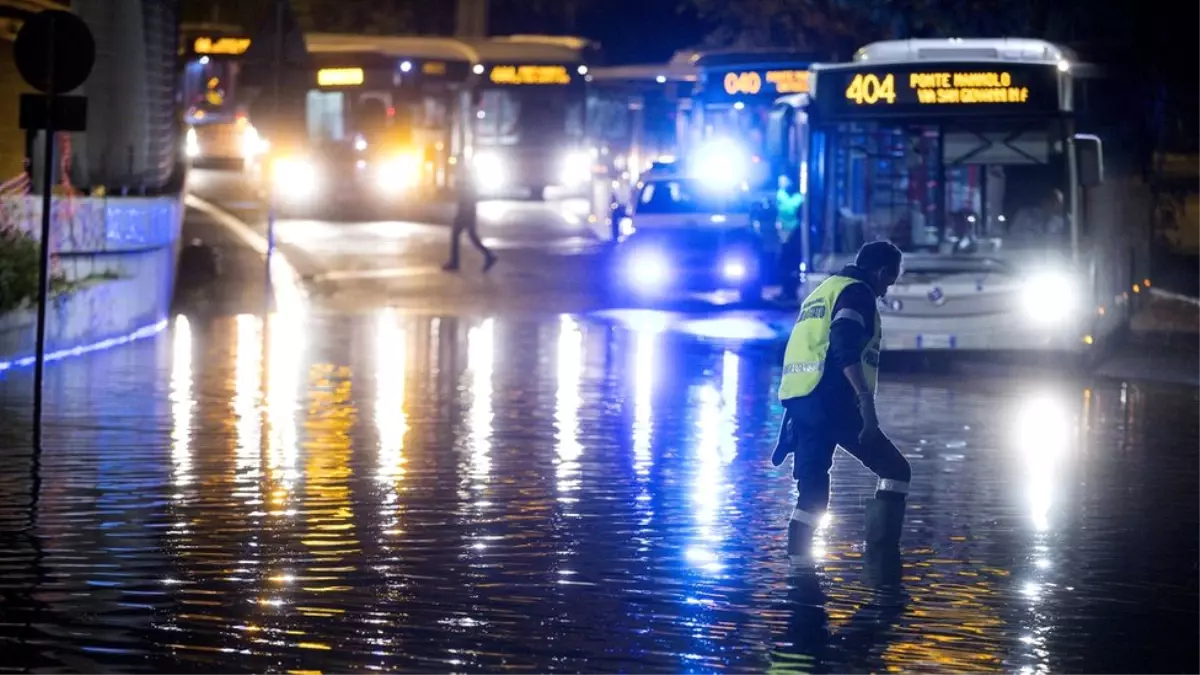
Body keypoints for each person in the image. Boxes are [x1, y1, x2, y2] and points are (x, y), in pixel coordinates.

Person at [771, 240, 910, 590]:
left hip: (802, 403)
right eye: (888, 282)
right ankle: (882, 569)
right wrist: (866, 405)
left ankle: (799, 578)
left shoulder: (824, 290)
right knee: (896, 471)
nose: (885, 291)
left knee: (813, 493)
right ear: (880, 273)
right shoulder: (857, 293)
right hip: (832, 401)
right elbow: (843, 347)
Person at [443, 160, 496, 272]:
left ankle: (455, 262)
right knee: (471, 236)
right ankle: (489, 255)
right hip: (469, 210)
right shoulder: (468, 174)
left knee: (457, 234)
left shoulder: (465, 176)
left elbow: (464, 195)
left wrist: (462, 211)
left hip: (465, 210)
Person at [776, 176, 806, 301]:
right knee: (786, 266)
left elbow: (789, 208)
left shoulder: (794, 198)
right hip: (784, 236)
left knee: (790, 266)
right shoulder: (782, 196)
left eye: (785, 181)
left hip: (793, 235)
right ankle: (787, 291)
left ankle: (790, 292)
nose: (783, 184)